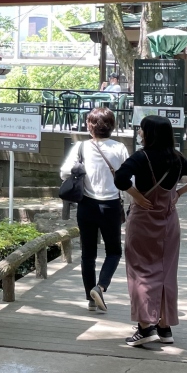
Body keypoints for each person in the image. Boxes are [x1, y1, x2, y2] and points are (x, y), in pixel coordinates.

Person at [114, 115, 187, 345]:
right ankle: (164, 327)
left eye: (141, 129)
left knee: (141, 272)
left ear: (149, 133)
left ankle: (145, 327)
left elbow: (120, 178)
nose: (139, 132)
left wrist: (137, 196)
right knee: (166, 273)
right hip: (168, 222)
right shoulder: (176, 158)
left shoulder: (141, 157)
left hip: (143, 222)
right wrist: (179, 193)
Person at [58, 107, 129, 314]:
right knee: (114, 251)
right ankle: (101, 286)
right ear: (112, 126)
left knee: (87, 254)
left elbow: (64, 172)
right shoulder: (120, 148)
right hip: (111, 206)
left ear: (90, 126)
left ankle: (90, 299)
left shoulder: (81, 147)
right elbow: (128, 179)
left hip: (87, 205)